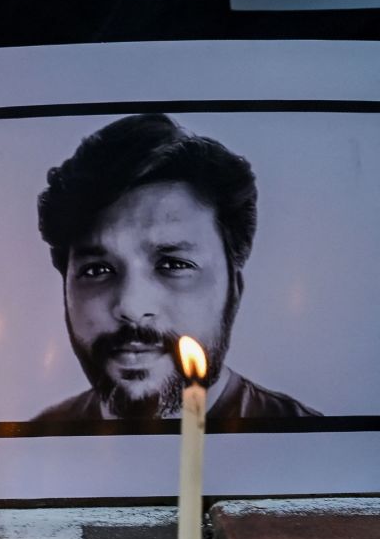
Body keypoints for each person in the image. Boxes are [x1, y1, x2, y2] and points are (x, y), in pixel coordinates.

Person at [33, 113, 319, 421]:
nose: (130, 307)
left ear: (234, 290)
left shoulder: (315, 442)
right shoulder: (32, 442)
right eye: (97, 270)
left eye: (173, 264)